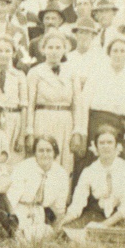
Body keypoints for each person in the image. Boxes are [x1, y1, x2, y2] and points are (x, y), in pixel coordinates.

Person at [73, 37, 125, 185]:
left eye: (122, 51)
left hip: (118, 126)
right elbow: (83, 104)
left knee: (117, 163)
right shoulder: (97, 74)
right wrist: (82, 132)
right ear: (109, 53)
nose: (118, 54)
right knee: (90, 161)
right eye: (115, 50)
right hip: (95, 123)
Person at [61, 126, 125, 228]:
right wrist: (64, 220)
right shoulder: (89, 171)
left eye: (109, 142)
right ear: (96, 147)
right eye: (101, 143)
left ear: (117, 146)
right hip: (96, 215)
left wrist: (104, 225)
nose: (105, 146)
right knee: (67, 230)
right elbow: (78, 203)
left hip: (120, 217)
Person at [26, 31, 79, 171]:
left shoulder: (72, 72)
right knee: (42, 157)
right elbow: (30, 104)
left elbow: (76, 105)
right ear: (43, 50)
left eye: (58, 47)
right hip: (43, 119)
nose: (54, 52)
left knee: (64, 161)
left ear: (65, 49)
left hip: (65, 122)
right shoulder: (35, 72)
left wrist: (77, 131)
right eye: (50, 47)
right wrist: (29, 131)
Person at [7, 136, 69, 240]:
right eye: (41, 150)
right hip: (19, 208)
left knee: (45, 232)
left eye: (49, 150)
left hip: (40, 211)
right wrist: (10, 219)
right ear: (35, 153)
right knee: (19, 233)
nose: (45, 154)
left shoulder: (61, 174)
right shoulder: (24, 167)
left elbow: (59, 208)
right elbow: (11, 199)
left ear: (55, 153)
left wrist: (57, 226)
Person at [61, 16, 103, 92]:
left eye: (87, 33)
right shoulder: (67, 57)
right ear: (76, 35)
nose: (83, 36)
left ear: (93, 36)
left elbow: (100, 81)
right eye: (81, 33)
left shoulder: (99, 58)